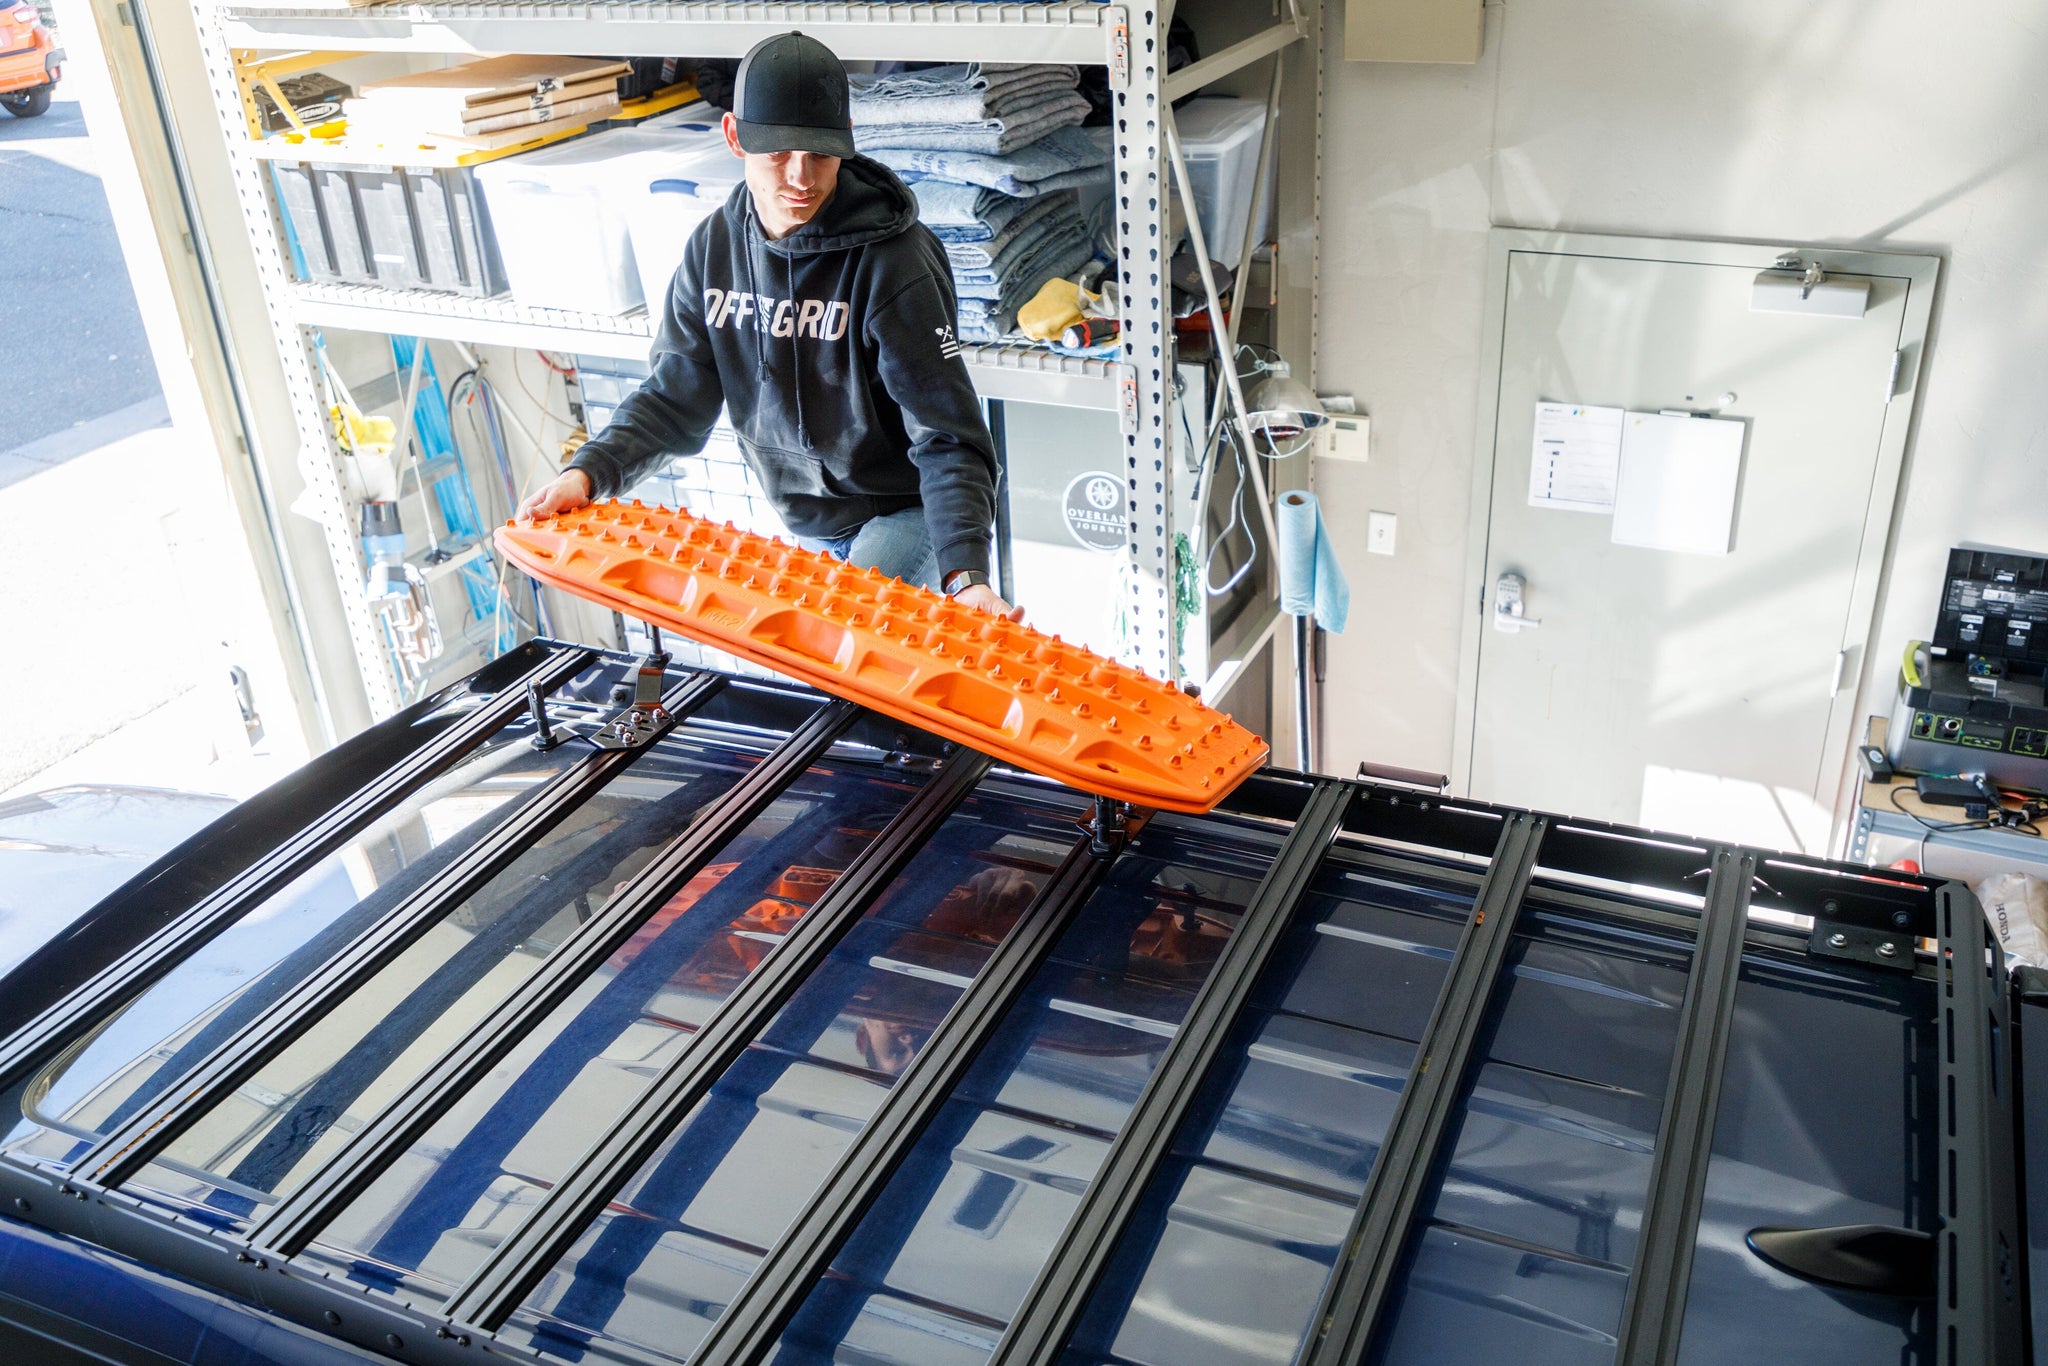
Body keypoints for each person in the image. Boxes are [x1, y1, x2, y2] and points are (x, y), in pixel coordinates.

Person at [518, 30, 1019, 620]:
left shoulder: (896, 262)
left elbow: (948, 433)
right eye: (778, 153)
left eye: (820, 154)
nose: (802, 177)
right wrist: (589, 473)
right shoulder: (713, 248)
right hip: (805, 519)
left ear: (846, 139)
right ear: (735, 136)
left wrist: (965, 576)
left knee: (839, 635)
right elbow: (674, 398)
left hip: (904, 513)